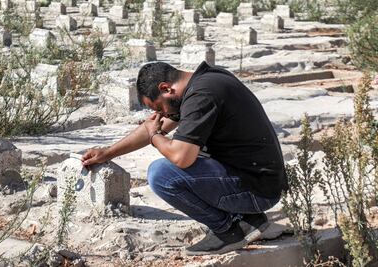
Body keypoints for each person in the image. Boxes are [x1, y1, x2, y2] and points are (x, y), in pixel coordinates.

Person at [81, 61, 288, 256]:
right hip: (259, 181)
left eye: (158, 108)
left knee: (162, 175)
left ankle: (228, 230)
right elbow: (152, 127)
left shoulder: (201, 96)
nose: (160, 115)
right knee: (174, 166)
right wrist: (108, 152)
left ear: (165, 88)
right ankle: (247, 219)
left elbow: (181, 157)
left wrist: (156, 137)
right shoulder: (206, 81)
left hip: (257, 190)